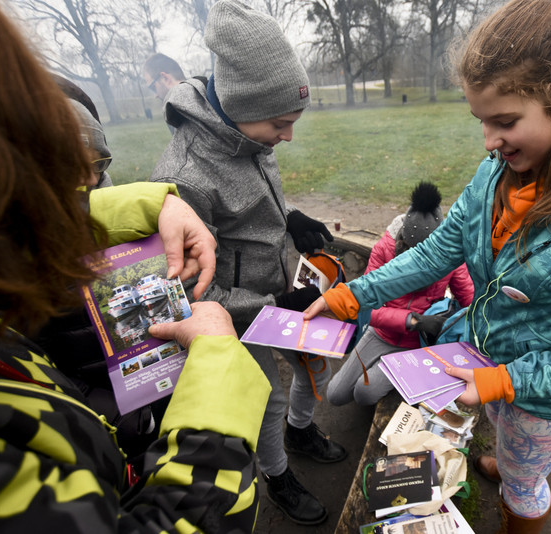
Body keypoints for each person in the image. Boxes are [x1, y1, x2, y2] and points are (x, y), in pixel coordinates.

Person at [305, 0, 551, 532]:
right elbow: (437, 251)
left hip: (547, 398)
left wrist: (505, 382)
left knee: (526, 486)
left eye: (505, 122)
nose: (489, 142)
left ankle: (521, 482)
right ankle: (514, 458)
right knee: (511, 443)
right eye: (481, 121)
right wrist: (352, 295)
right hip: (489, 366)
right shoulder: (496, 171)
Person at [0, 2, 271, 530]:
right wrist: (215, 379)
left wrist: (144, 204)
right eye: (47, 180)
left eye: (95, 175)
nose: (80, 195)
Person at [150, 1, 341, 525]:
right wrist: (274, 302)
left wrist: (291, 218)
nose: (288, 137)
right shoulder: (186, 174)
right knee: (267, 399)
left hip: (273, 293)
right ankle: (276, 475)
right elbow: (190, 294)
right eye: (281, 123)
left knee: (308, 366)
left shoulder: (246, 132)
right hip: (235, 314)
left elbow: (252, 209)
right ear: (239, 104)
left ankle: (299, 435)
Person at [326, 181, 474, 406]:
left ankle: (400, 384)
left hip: (417, 345)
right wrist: (412, 320)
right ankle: (396, 380)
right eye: (410, 251)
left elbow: (470, 302)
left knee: (364, 394)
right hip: (381, 333)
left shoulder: (449, 256)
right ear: (402, 238)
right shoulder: (384, 248)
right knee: (335, 394)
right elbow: (366, 309)